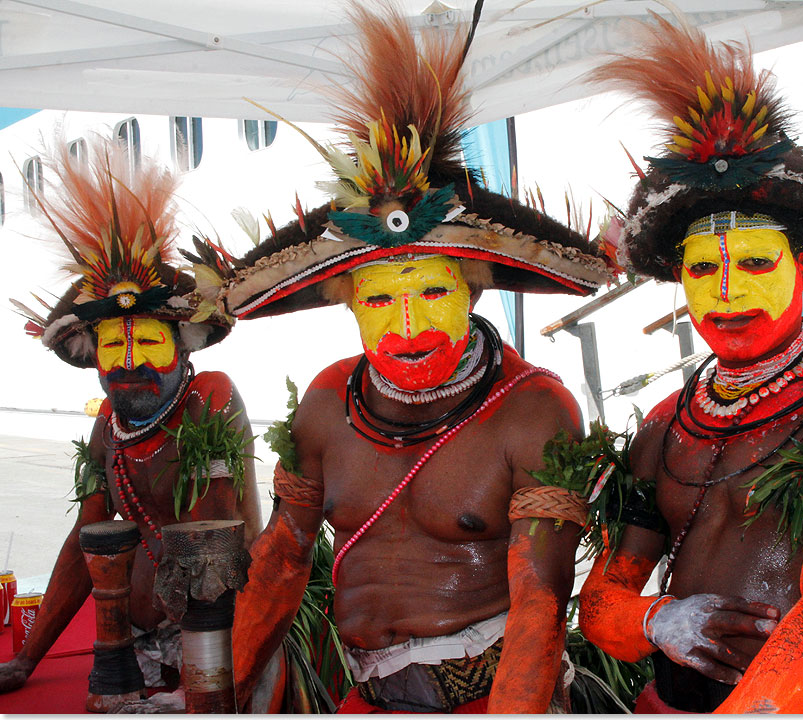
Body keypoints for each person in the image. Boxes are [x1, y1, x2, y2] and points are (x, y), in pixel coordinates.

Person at [198, 3, 614, 713]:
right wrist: (216, 694)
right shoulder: (329, 403)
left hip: (495, 699)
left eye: (431, 291)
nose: (408, 323)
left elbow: (540, 605)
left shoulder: (533, 410)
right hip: (371, 695)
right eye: (383, 300)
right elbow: (282, 560)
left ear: (474, 295)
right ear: (352, 305)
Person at [578, 16, 803, 714]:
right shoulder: (664, 426)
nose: (727, 290)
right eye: (703, 268)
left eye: (754, 263)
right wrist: (656, 621)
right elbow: (601, 606)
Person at [0, 139, 262, 708]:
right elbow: (86, 541)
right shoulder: (108, 428)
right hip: (140, 639)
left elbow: (212, 545)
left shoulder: (208, 398)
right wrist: (27, 658)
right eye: (113, 345)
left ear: (183, 349)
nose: (128, 362)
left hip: (218, 635)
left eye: (146, 341)